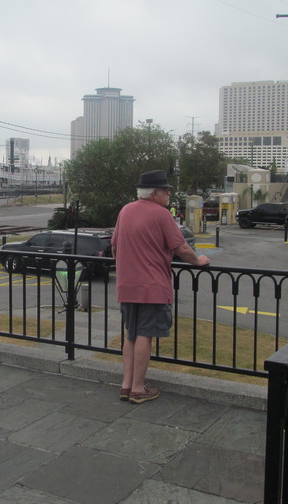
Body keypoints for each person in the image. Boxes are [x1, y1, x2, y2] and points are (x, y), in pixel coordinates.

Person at [111, 170, 210, 404]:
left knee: (131, 334)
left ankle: (126, 385)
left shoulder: (125, 210)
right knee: (145, 335)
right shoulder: (161, 214)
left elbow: (115, 246)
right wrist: (199, 260)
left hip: (127, 285)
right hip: (152, 286)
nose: (168, 195)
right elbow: (181, 247)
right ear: (155, 194)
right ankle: (138, 389)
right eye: (166, 191)